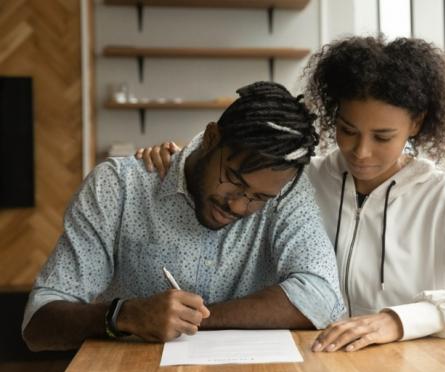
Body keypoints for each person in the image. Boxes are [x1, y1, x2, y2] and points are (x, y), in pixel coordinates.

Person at [137, 36, 445, 353]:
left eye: (383, 137)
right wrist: (180, 158)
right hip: (309, 360)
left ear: (417, 123)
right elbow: (232, 166)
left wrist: (398, 320)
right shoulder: (301, 180)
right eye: (348, 130)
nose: (361, 152)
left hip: (413, 365)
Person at [22, 81, 345, 351]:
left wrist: (197, 319)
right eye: (234, 180)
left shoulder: (287, 192)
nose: (239, 206)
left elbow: (319, 296)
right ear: (211, 138)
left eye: (259, 198)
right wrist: (124, 316)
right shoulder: (119, 187)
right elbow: (38, 325)